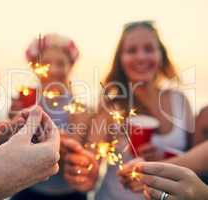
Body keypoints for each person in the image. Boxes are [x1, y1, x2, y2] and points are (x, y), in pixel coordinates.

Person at [63, 20, 193, 200]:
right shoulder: (111, 108)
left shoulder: (180, 101)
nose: (141, 57)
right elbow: (90, 174)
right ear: (121, 60)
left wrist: (164, 157)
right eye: (132, 50)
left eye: (149, 49)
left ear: (161, 54)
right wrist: (84, 173)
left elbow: (193, 159)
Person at [10, 33, 92, 200]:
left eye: (61, 63)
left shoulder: (80, 110)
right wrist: (12, 124)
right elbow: (12, 156)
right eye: (46, 63)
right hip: (27, 191)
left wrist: (59, 146)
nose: (53, 70)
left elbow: (72, 162)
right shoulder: (24, 103)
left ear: (71, 66)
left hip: (69, 195)